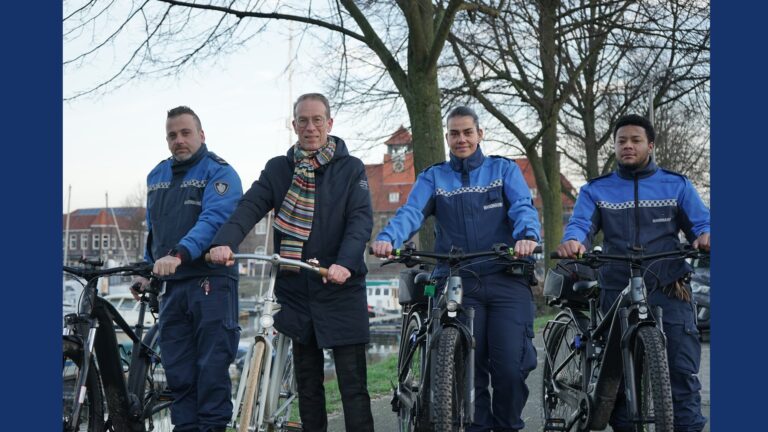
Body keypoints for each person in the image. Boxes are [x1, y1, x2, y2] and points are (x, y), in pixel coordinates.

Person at [208, 93, 375, 432]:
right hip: (297, 288)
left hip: (339, 285)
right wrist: (224, 243)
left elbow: (360, 221)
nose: (310, 127)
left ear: (329, 123)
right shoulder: (278, 169)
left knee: (352, 387)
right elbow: (249, 207)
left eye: (317, 120)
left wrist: (345, 263)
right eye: (303, 120)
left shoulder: (351, 168)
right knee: (308, 387)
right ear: (293, 124)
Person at [371, 106, 541, 432]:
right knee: (467, 369)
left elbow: (522, 207)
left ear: (480, 134)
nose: (460, 139)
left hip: (506, 276)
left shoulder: (503, 170)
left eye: (467, 132)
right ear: (447, 137)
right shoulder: (434, 177)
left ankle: (508, 426)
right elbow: (411, 212)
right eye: (454, 133)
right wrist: (388, 238)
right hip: (457, 279)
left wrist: (527, 237)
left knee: (509, 367)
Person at [556, 113, 710, 432]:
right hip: (616, 290)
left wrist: (706, 235)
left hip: (668, 286)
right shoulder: (596, 190)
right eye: (621, 141)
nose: (628, 145)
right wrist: (574, 241)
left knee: (681, 373)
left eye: (635, 140)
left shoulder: (676, 184)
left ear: (650, 145)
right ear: (614, 147)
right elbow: (582, 224)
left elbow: (701, 222)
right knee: (619, 385)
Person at [133, 106, 243, 432]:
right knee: (178, 376)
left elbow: (213, 222)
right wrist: (145, 269)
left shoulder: (220, 173)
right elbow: (155, 229)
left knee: (211, 373)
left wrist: (179, 254)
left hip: (211, 283)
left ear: (201, 134)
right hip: (172, 285)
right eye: (172, 135)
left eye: (185, 133)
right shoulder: (157, 175)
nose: (179, 140)